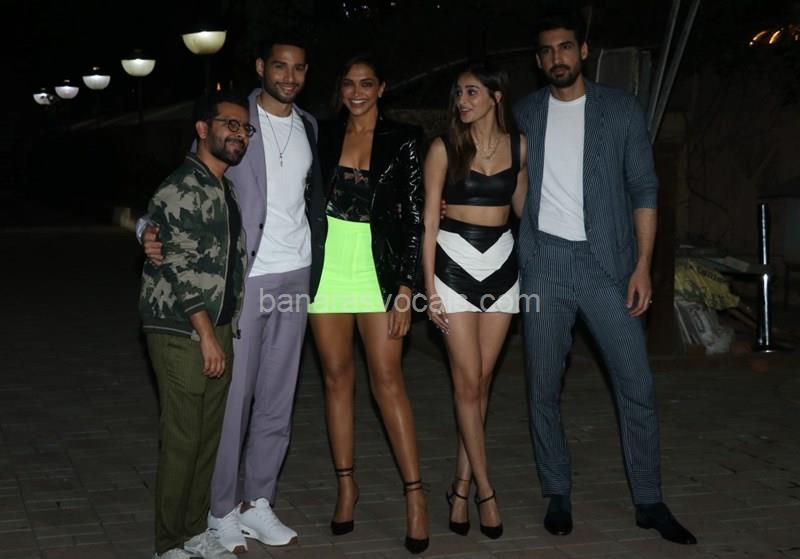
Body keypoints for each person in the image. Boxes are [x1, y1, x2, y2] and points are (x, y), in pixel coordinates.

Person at [139, 34, 327, 553]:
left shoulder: (309, 125)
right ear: (262, 67)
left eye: (299, 68)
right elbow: (182, 185)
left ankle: (258, 501)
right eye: (280, 66)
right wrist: (145, 230)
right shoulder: (234, 121)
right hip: (246, 280)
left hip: (296, 274)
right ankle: (219, 509)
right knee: (233, 401)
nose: (289, 77)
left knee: (277, 398)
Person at [514, 12, 697, 544]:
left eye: (565, 47)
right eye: (547, 51)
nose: (557, 58)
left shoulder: (620, 110)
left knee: (636, 383)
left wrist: (642, 265)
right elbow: (512, 181)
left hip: (607, 266)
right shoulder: (525, 113)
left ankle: (649, 500)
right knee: (542, 385)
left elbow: (644, 189)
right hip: (544, 266)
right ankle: (557, 491)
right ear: (539, 60)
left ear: (584, 51)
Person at [309, 53, 428, 554]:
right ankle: (346, 486)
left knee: (388, 380)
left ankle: (415, 496)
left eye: (366, 83)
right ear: (340, 89)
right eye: (349, 84)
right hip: (328, 272)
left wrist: (405, 287)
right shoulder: (322, 135)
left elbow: (415, 218)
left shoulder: (404, 139)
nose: (356, 92)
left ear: (382, 87)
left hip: (377, 273)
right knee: (336, 379)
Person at [139, 92, 250, 559]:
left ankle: (193, 531)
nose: (239, 134)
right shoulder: (182, 186)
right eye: (230, 124)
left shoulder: (224, 186)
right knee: (183, 438)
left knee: (207, 439)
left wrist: (222, 329)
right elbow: (180, 266)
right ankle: (168, 543)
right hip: (182, 327)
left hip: (216, 326)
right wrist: (205, 334)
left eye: (245, 128)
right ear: (203, 129)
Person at [422, 61, 527, 540]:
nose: (462, 101)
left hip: (502, 265)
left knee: (482, 382)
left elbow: (523, 209)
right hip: (452, 264)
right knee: (466, 381)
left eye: (471, 93)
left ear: (496, 96)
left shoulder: (520, 146)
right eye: (459, 94)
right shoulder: (443, 148)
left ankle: (460, 487)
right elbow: (429, 221)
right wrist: (428, 288)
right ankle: (487, 491)